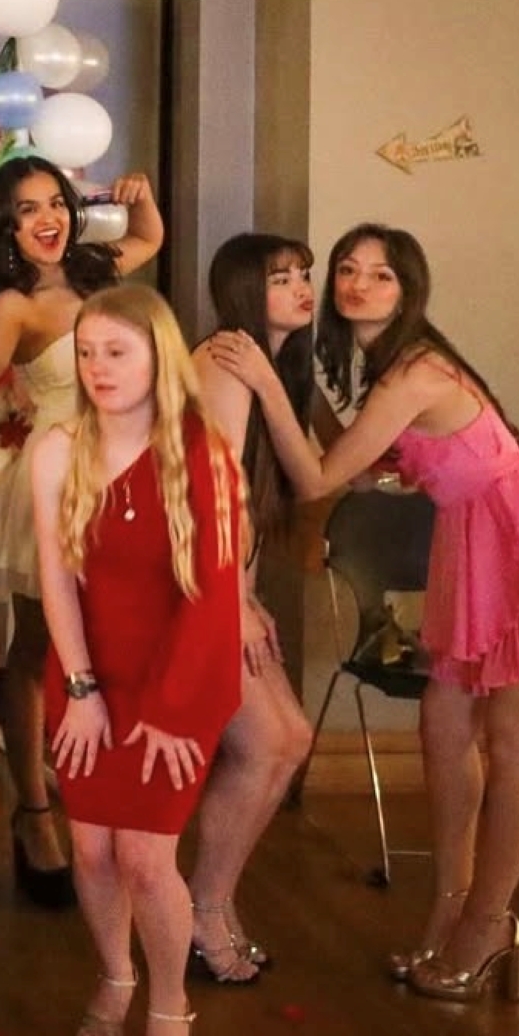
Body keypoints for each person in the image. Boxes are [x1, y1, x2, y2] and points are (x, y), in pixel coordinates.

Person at [208, 223, 519, 1005]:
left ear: (409, 290)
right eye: (347, 269)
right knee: (443, 729)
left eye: (382, 275)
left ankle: (488, 926)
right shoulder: (387, 371)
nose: (357, 284)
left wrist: (266, 382)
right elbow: (356, 469)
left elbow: (317, 480)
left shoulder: (414, 371)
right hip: (480, 555)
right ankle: (448, 910)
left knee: (514, 743)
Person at [0, 158, 163, 911]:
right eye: (27, 209)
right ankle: (34, 812)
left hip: (125, 470)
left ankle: (113, 805)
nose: (47, 219)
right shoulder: (13, 305)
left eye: (55, 203)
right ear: (7, 223)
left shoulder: (99, 271)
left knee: (122, 643)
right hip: (57, 481)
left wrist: (140, 197)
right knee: (38, 650)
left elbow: (150, 238)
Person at [30, 283, 242, 1036]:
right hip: (86, 669)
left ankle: (169, 1002)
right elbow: (56, 580)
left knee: (147, 859)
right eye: (87, 352)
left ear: (159, 356)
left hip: (178, 677)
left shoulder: (201, 451)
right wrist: (81, 687)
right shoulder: (58, 448)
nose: (98, 367)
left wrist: (169, 710)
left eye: (117, 352)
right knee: (90, 848)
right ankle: (116, 972)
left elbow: (212, 594)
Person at [182, 234, 318, 983]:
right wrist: (233, 599)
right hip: (198, 587)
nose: (301, 287)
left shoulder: (263, 367)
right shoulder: (226, 359)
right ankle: (203, 910)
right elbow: (213, 494)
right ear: (242, 288)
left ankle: (214, 902)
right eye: (280, 277)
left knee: (289, 739)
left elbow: (307, 477)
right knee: (267, 743)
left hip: (226, 583)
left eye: (303, 274)